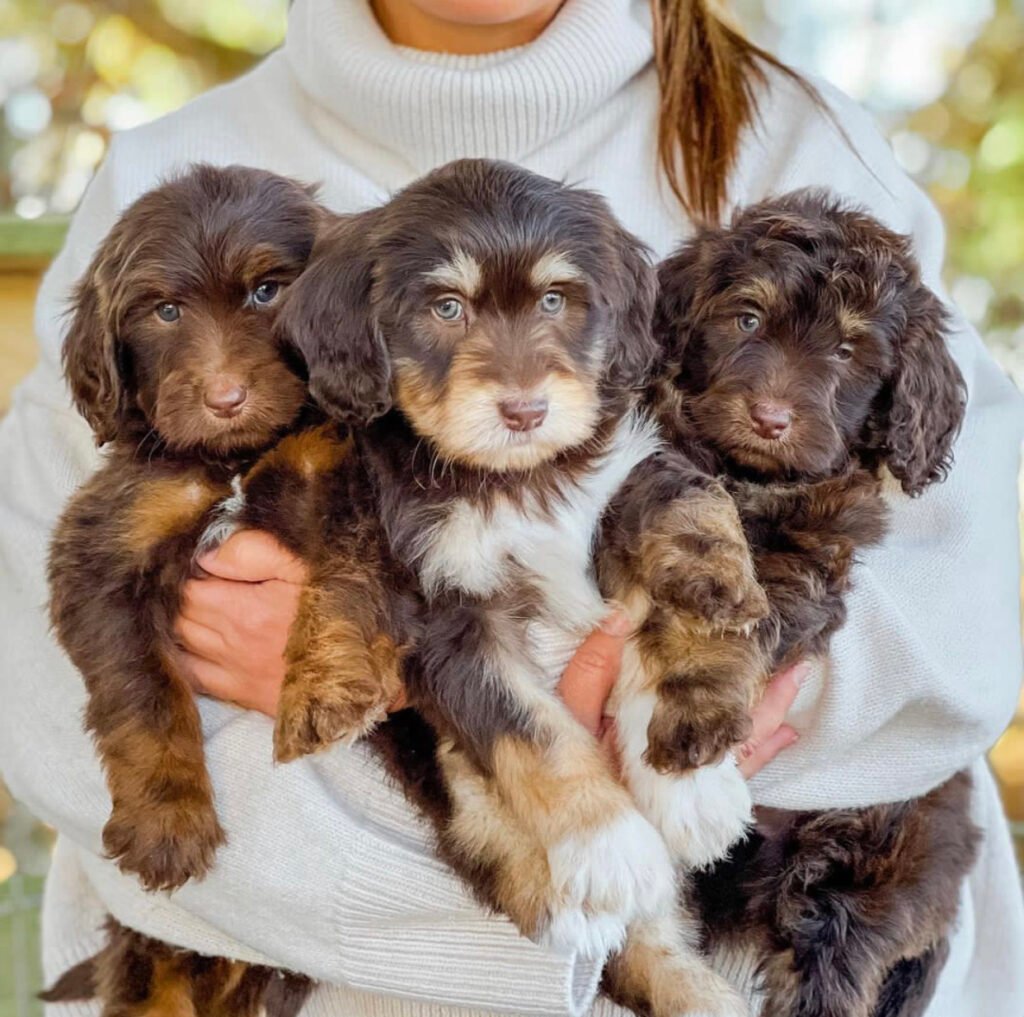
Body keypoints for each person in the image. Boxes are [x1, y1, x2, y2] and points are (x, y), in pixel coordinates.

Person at [0, 1, 1021, 1014]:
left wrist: (685, 698)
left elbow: (964, 605)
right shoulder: (157, 170)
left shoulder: (790, 132)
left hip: (796, 953)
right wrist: (529, 893)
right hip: (310, 968)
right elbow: (38, 680)